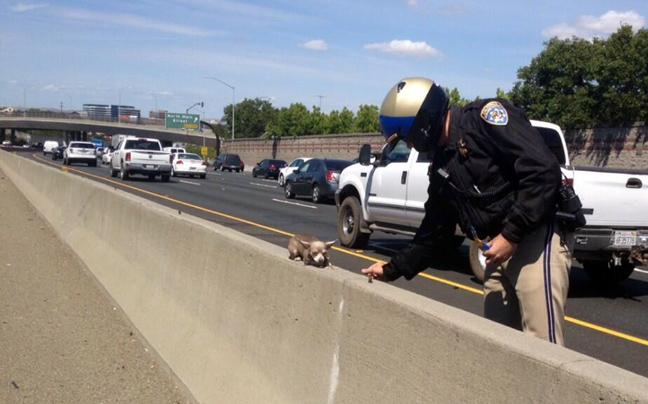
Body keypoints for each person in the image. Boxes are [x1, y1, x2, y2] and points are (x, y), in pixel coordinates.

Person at [362, 77, 575, 345]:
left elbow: (543, 171)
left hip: (535, 238)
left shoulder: (484, 120)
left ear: (423, 123)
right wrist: (391, 269)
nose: (412, 146)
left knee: (543, 346)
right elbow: (434, 233)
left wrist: (511, 235)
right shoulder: (442, 164)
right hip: (497, 248)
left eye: (409, 138)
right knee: (499, 344)